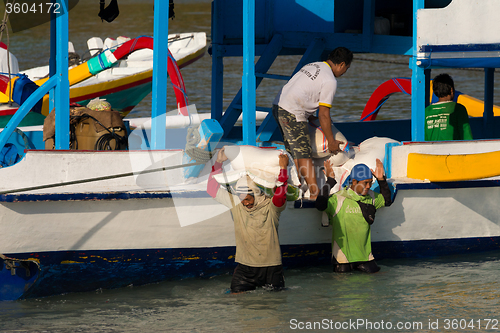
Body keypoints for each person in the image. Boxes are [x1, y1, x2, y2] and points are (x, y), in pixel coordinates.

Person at [272, 46, 353, 200]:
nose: (344, 73)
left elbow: (304, 91)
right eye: (346, 69)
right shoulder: (330, 80)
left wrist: (308, 116)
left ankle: (297, 186)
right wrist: (331, 141)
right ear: (342, 64)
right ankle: (314, 193)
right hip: (292, 112)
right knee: (304, 152)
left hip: (278, 106)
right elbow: (323, 115)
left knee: (294, 151)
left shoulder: (313, 65)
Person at [207, 147, 289, 292]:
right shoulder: (236, 204)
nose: (245, 203)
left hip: (271, 268)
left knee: (275, 306)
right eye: (242, 200)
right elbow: (211, 188)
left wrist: (283, 169)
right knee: (236, 299)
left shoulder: (271, 207)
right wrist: (218, 162)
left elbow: (280, 195)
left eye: (248, 199)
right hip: (245, 268)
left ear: (256, 194)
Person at [315, 159, 392, 273]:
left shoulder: (371, 197)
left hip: (366, 257)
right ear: (354, 182)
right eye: (365, 183)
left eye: (370, 182)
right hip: (343, 259)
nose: (368, 186)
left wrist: (381, 180)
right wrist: (330, 181)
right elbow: (320, 204)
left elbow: (387, 201)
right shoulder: (339, 198)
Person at [425, 73, 473, 141]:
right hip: (453, 150)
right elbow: (467, 137)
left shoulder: (427, 111)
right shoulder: (458, 109)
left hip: (430, 151)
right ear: (451, 90)